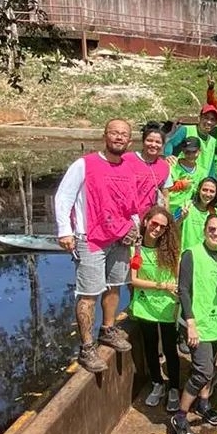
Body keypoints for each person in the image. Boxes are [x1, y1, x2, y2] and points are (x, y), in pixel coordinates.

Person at [55, 118, 137, 373]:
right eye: (114, 133)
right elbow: (64, 196)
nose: (119, 138)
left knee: (114, 287)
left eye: (124, 134)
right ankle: (87, 347)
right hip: (89, 237)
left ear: (129, 140)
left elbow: (132, 204)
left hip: (118, 237)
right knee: (88, 293)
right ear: (105, 136)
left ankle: (107, 329)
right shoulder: (85, 165)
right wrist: (64, 231)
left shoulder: (128, 168)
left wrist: (133, 227)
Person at [171, 215, 217, 434]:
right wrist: (190, 323)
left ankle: (204, 403)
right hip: (199, 324)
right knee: (203, 372)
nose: (216, 234)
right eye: (212, 229)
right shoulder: (191, 254)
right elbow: (183, 290)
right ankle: (180, 416)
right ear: (205, 230)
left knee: (211, 366)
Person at [128, 206, 181, 412]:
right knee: (150, 346)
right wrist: (161, 286)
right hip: (145, 306)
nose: (157, 229)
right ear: (145, 222)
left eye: (162, 227)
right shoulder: (135, 249)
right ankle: (158, 384)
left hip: (168, 306)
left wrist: (174, 292)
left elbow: (177, 277)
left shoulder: (170, 249)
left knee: (170, 348)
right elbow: (133, 280)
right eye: (154, 224)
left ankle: (174, 388)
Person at [164, 104, 217, 179]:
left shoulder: (213, 141)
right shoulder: (186, 130)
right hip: (181, 177)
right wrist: (168, 155)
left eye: (212, 120)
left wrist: (212, 180)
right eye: (206, 118)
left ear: (216, 123)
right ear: (199, 118)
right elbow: (170, 143)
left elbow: (211, 164)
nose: (209, 122)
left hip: (201, 181)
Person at [130, 122, 172, 213]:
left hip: (150, 217)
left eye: (158, 142)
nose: (153, 145)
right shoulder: (127, 160)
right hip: (127, 215)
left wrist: (167, 219)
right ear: (143, 141)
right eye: (149, 140)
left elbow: (165, 196)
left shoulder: (164, 166)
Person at [165, 136, 203, 214]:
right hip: (169, 209)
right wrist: (178, 185)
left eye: (194, 151)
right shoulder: (172, 165)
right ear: (183, 151)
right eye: (187, 152)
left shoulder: (202, 172)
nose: (191, 155)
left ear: (199, 151)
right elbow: (162, 189)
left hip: (188, 212)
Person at [179, 177, 217, 252]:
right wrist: (181, 218)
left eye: (212, 191)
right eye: (204, 190)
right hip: (185, 254)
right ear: (199, 190)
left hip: (204, 256)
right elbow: (172, 229)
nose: (208, 194)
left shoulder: (214, 213)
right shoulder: (187, 205)